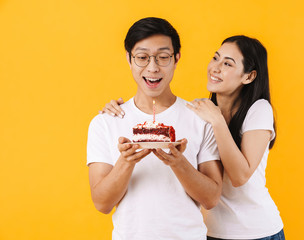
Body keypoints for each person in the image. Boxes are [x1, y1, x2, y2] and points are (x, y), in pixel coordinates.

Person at [102, 35, 285, 239]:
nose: (215, 68)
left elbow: (239, 177)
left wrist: (217, 121)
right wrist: (117, 109)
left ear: (249, 77)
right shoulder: (200, 109)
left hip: (256, 231)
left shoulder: (258, 110)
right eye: (215, 58)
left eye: (227, 64)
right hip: (210, 232)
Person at [87, 17, 223, 240]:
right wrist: (127, 160)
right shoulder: (105, 122)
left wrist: (178, 162)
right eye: (142, 57)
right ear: (129, 59)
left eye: (163, 57)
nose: (152, 67)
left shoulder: (200, 119)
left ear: (176, 58)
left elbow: (211, 199)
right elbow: (102, 203)